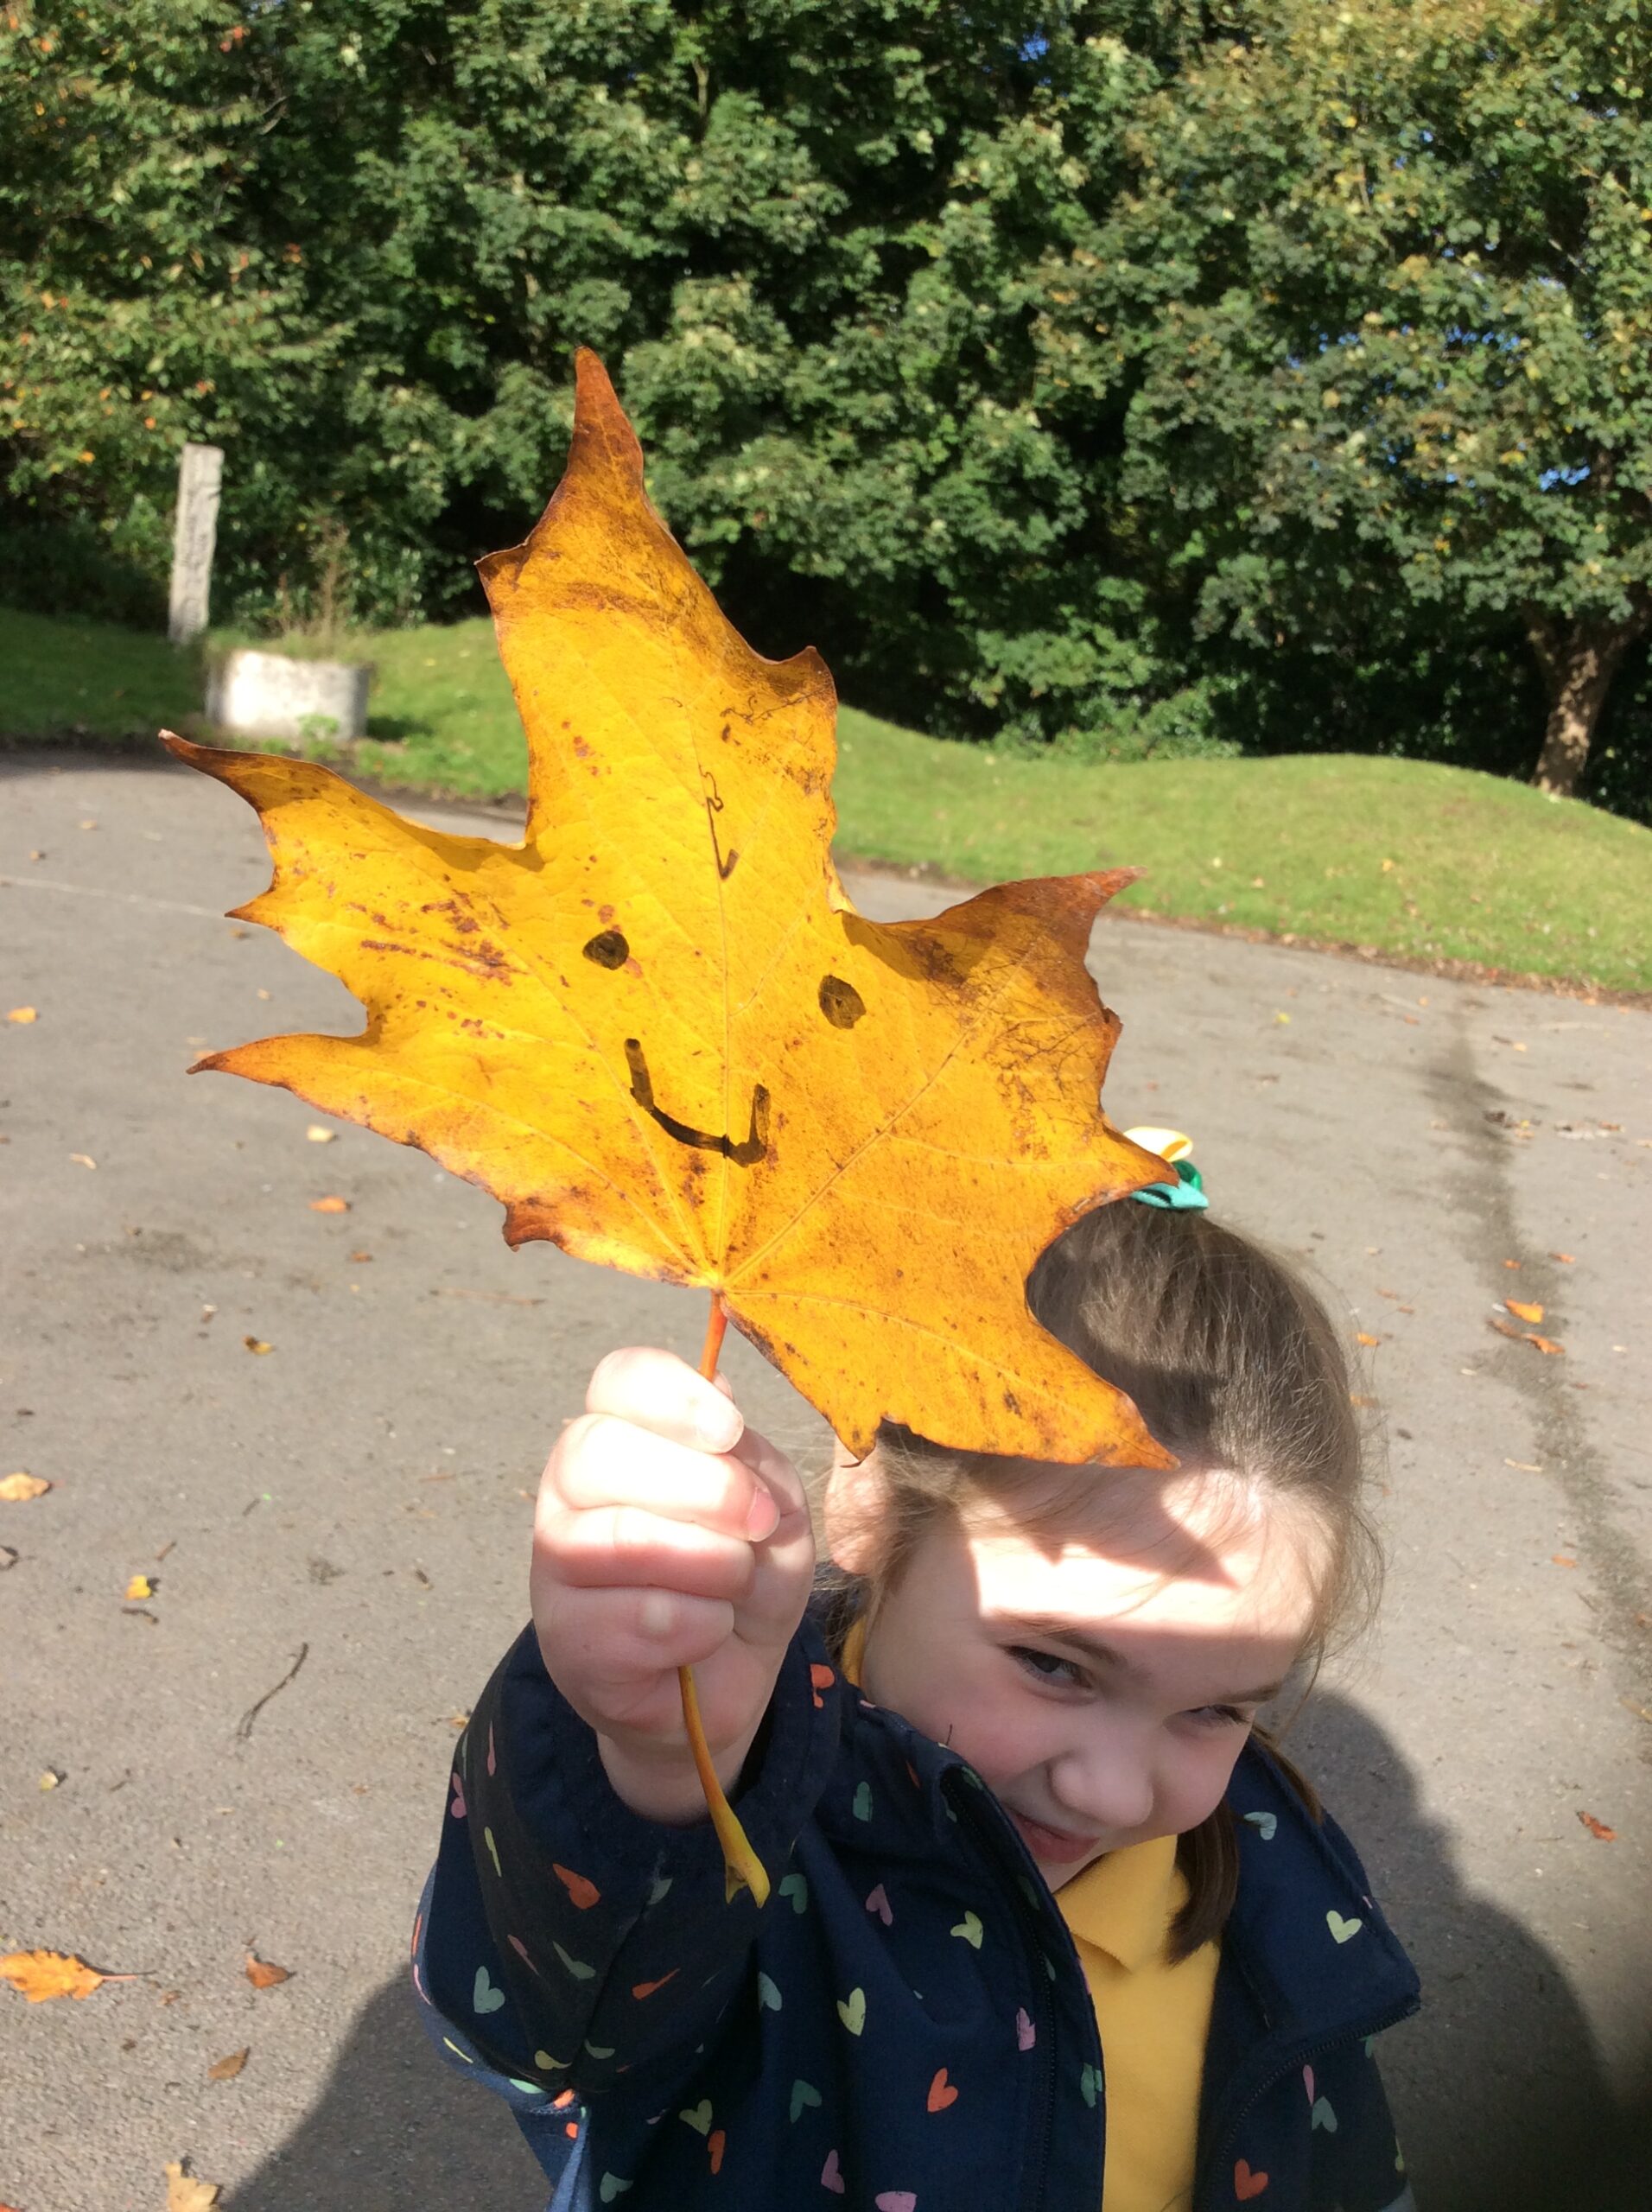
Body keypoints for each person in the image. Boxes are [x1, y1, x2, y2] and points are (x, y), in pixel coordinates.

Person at [412, 1140, 1420, 2211]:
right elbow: (535, 2033)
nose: (1118, 1793)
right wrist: (653, 1765)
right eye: (1054, 1664)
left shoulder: (1277, 1879)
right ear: (872, 1509)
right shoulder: (749, 1834)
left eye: (1216, 1707)